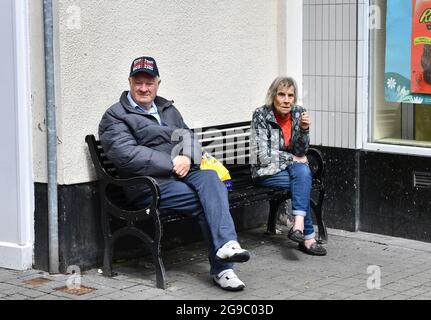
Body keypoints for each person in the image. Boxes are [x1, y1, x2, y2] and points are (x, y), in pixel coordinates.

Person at [98, 56, 250, 291]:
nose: (144, 88)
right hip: (148, 184)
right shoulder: (115, 116)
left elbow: (188, 136)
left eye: (149, 83)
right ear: (129, 82)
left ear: (158, 82)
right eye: (138, 82)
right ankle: (223, 269)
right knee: (207, 201)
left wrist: (187, 157)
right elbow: (127, 154)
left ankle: (228, 244)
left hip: (182, 173)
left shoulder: (167, 108)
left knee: (212, 179)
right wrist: (172, 162)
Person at [250, 76, 327, 256]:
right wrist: (291, 158)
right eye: (281, 94)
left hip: (290, 171)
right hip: (265, 172)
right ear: (273, 95)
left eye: (290, 96)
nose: (286, 100)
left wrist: (304, 130)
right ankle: (308, 236)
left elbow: (301, 151)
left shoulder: (299, 113)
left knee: (301, 175)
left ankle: (298, 226)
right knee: (303, 177)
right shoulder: (261, 115)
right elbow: (262, 154)